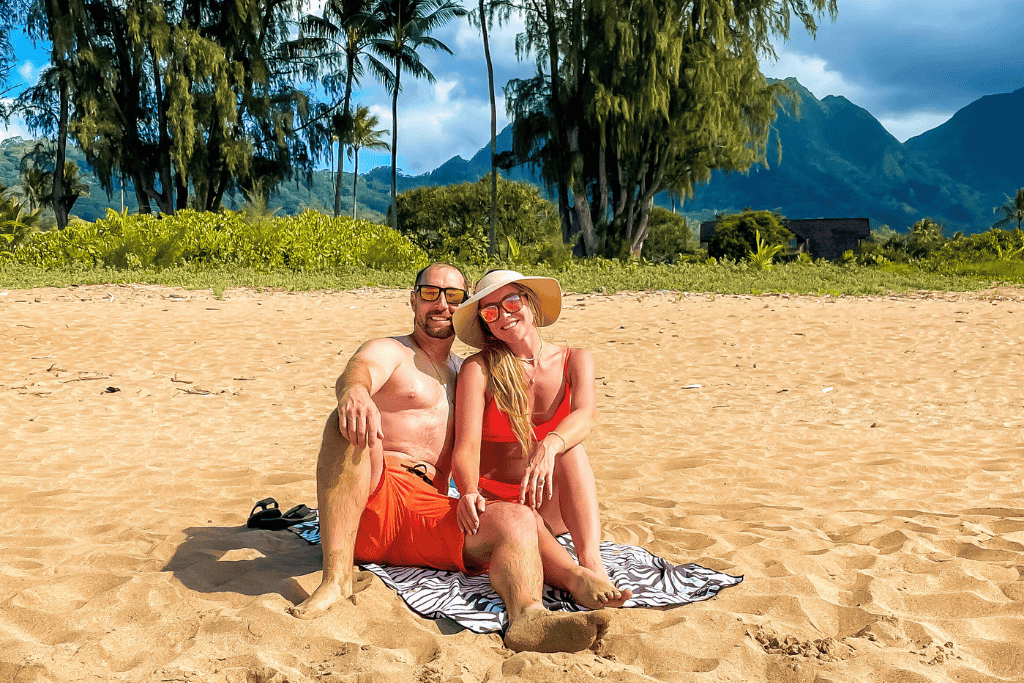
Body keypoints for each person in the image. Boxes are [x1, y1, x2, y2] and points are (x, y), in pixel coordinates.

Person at [288, 263, 611, 653]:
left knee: (515, 518)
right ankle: (336, 580)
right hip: (373, 495)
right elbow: (360, 370)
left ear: (461, 310)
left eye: (452, 296)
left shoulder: (466, 371)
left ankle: (528, 617)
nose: (440, 304)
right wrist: (354, 392)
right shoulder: (393, 351)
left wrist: (473, 491)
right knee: (347, 423)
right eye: (429, 293)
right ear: (413, 298)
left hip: (429, 509)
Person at [451, 270, 630, 605]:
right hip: (499, 502)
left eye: (511, 302)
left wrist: (550, 444)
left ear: (530, 303)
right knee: (521, 517)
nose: (504, 315)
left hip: (551, 502)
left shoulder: (575, 359)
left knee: (571, 450)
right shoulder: (479, 369)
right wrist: (469, 491)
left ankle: (592, 561)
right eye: (490, 312)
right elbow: (466, 446)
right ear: (485, 324)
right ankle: (576, 579)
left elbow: (586, 415)